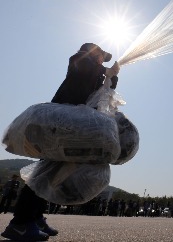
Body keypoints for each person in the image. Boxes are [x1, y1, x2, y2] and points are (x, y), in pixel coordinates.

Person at [1, 43, 120, 241]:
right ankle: (20, 223)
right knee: (44, 172)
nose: (102, 60)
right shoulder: (80, 59)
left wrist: (112, 78)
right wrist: (104, 70)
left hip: (71, 129)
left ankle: (35, 217)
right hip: (58, 126)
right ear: (93, 52)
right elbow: (82, 64)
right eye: (100, 56)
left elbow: (102, 94)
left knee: (53, 173)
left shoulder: (94, 73)